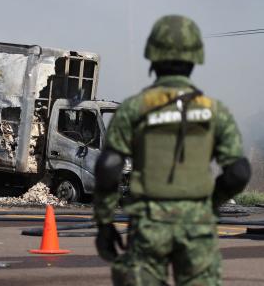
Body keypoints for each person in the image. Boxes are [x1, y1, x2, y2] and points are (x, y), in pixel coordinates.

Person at [93, 15, 251, 285]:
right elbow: (238, 172)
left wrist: (105, 222)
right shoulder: (214, 111)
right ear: (194, 58)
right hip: (197, 226)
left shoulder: (134, 108)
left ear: (152, 56)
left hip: (149, 223)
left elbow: (108, 168)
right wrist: (209, 205)